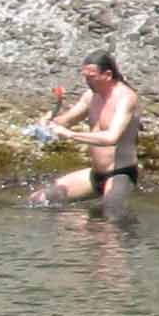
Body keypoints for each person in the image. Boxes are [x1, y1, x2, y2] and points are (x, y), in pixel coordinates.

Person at [30, 54, 141, 207]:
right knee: (40, 200)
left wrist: (70, 134)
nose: (87, 81)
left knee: (111, 213)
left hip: (120, 173)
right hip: (95, 174)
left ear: (107, 75)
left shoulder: (126, 98)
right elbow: (68, 120)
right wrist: (48, 123)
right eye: (85, 76)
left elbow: (111, 138)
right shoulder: (91, 96)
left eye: (91, 77)